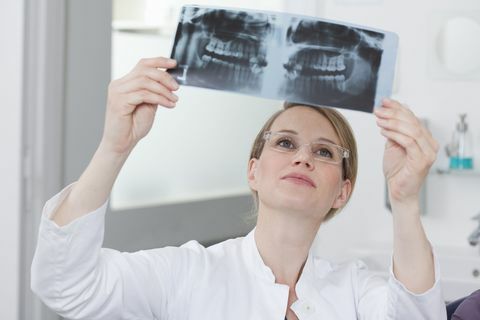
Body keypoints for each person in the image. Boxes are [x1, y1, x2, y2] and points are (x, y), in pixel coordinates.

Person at [31, 57, 447, 319]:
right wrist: (113, 147)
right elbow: (66, 286)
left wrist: (405, 200)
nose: (302, 158)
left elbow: (415, 314)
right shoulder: (186, 273)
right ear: (253, 171)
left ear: (342, 192)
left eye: (324, 152)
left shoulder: (357, 289)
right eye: (285, 143)